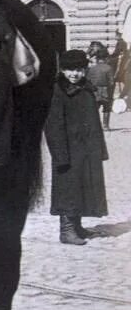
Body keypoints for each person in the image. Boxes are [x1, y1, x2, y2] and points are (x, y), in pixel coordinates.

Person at [45, 49, 109, 246]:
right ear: (62, 70)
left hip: (87, 149)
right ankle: (66, 230)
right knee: (68, 189)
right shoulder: (57, 91)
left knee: (84, 186)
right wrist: (60, 155)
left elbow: (94, 121)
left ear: (85, 70)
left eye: (78, 70)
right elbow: (53, 125)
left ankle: (78, 226)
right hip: (68, 150)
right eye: (69, 70)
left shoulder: (86, 89)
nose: (74, 74)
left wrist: (99, 148)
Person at [86, 43, 115, 131]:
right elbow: (111, 82)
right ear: (106, 58)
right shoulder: (108, 68)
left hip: (94, 91)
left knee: (94, 109)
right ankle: (105, 126)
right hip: (105, 91)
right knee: (106, 108)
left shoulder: (92, 69)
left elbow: (88, 80)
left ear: (97, 58)